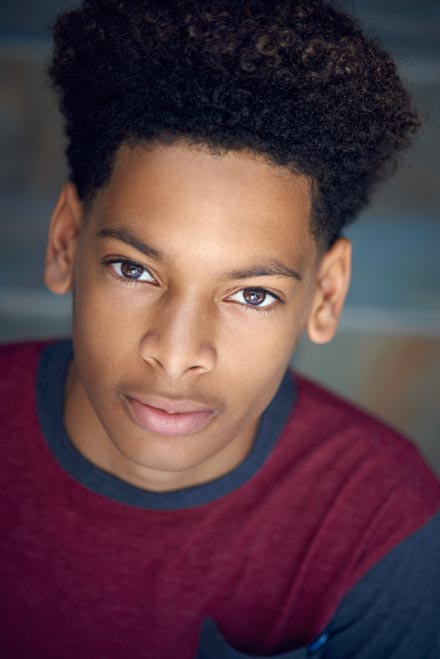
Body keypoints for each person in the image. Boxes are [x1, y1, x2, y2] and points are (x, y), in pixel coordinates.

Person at [0, 1, 439, 657]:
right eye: (134, 269)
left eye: (252, 293)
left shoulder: (379, 521)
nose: (176, 355)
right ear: (66, 241)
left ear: (326, 294)